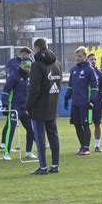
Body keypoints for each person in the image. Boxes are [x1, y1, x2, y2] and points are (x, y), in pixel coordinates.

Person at [25, 38, 62, 175]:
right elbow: (59, 85)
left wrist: (28, 107)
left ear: (36, 48)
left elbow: (34, 90)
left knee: (40, 137)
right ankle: (55, 165)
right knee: (53, 136)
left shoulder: (36, 65)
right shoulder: (57, 64)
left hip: (39, 107)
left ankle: (43, 167)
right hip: (52, 105)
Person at [0, 57, 37, 161]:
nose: (27, 69)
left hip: (25, 108)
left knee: (31, 129)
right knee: (10, 129)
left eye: (29, 67)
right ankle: (6, 152)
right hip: (14, 108)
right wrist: (5, 105)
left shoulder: (29, 77)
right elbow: (5, 91)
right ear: (21, 65)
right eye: (25, 66)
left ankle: (29, 151)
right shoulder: (13, 76)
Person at [64, 47, 98, 156]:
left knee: (85, 124)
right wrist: (66, 98)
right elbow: (70, 86)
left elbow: (94, 87)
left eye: (80, 56)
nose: (77, 58)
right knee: (77, 125)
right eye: (76, 56)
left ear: (85, 56)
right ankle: (82, 146)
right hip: (75, 102)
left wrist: (91, 101)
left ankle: (87, 148)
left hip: (85, 103)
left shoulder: (89, 70)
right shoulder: (73, 70)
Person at [87, 53, 102, 152]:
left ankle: (97, 145)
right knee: (85, 125)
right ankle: (84, 146)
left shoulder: (101, 75)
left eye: (95, 59)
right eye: (91, 59)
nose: (94, 61)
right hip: (86, 103)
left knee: (97, 124)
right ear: (87, 60)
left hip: (97, 103)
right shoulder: (84, 73)